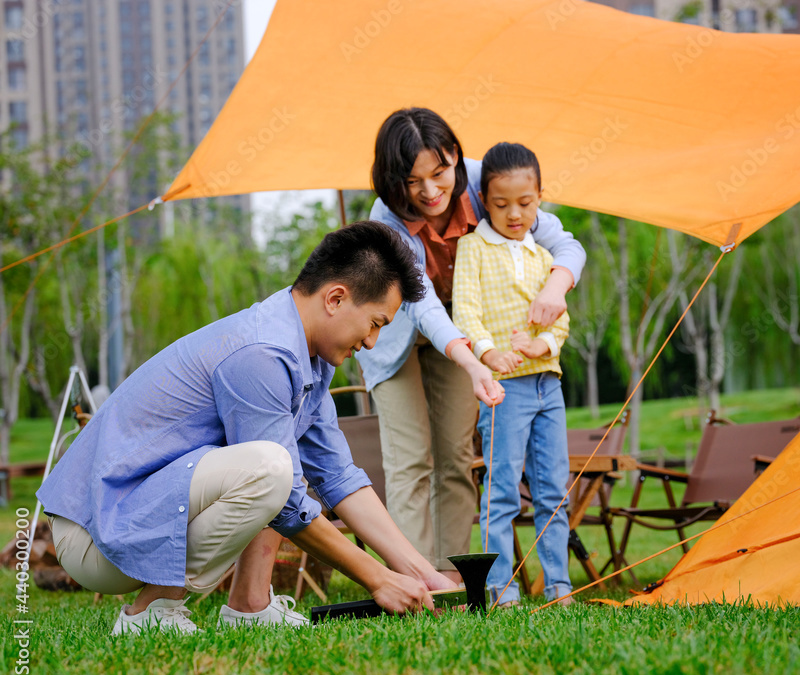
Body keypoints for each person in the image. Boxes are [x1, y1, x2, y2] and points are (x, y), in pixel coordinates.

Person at [37, 221, 456, 635]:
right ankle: (152, 611)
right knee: (271, 467)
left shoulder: (306, 357)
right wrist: (378, 579)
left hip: (137, 514)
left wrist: (421, 572)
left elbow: (340, 476)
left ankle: (250, 606)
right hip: (95, 533)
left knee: (276, 461)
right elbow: (287, 496)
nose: (371, 342)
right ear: (336, 298)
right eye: (376, 323)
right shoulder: (261, 353)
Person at [360, 108, 586, 584]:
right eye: (412, 180)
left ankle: (455, 578)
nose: (428, 191)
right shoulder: (386, 217)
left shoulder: (493, 183)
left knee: (456, 458)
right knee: (411, 460)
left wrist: (554, 288)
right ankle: (416, 580)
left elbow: (566, 245)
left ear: (456, 159)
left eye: (439, 173)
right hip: (402, 333)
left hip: (469, 329)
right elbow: (420, 303)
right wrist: (473, 358)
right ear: (392, 180)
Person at [452, 142, 573, 607]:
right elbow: (466, 311)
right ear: (485, 199)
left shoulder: (545, 256)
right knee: (501, 491)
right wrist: (488, 352)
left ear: (540, 197)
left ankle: (559, 584)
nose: (514, 214)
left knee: (552, 492)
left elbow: (558, 317)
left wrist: (543, 344)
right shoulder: (474, 248)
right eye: (501, 205)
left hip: (549, 384)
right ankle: (502, 587)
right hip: (505, 389)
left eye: (525, 204)